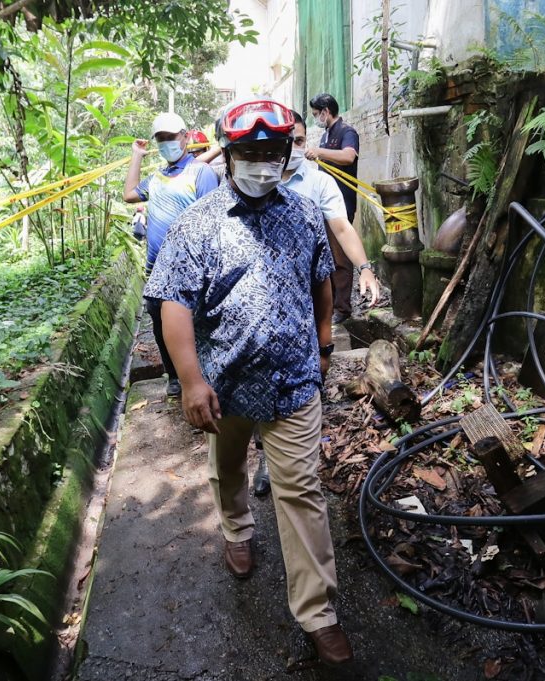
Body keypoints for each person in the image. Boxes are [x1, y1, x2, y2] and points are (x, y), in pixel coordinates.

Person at [144, 98, 354, 667]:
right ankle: (237, 530)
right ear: (229, 155)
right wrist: (190, 380)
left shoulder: (305, 214)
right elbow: (174, 305)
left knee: (301, 491)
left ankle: (319, 613)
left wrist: (326, 340)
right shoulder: (199, 224)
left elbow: (321, 283)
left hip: (292, 382)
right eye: (250, 153)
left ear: (286, 154)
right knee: (228, 465)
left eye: (271, 153)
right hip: (226, 383)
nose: (262, 163)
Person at [250, 110, 382, 498]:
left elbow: (342, 227)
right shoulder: (254, 181)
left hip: (309, 295)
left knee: (309, 370)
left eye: (300, 140)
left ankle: (302, 454)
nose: (293, 147)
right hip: (264, 298)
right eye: (287, 139)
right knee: (265, 374)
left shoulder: (319, 182)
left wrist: (365, 268)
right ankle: (266, 458)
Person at [124, 112, 218, 397]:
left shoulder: (200, 173)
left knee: (198, 322)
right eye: (161, 139)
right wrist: (137, 155)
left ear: (185, 137)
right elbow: (129, 194)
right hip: (157, 269)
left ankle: (204, 376)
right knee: (161, 324)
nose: (167, 143)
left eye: (171, 137)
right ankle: (175, 375)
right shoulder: (155, 179)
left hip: (193, 266)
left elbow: (212, 219)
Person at [306, 93, 360, 325]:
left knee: (341, 258)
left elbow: (349, 157)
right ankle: (332, 304)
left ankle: (343, 308)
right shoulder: (326, 135)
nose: (317, 118)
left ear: (326, 111)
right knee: (327, 258)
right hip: (324, 204)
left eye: (317, 114)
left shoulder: (347, 132)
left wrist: (320, 152)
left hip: (341, 205)